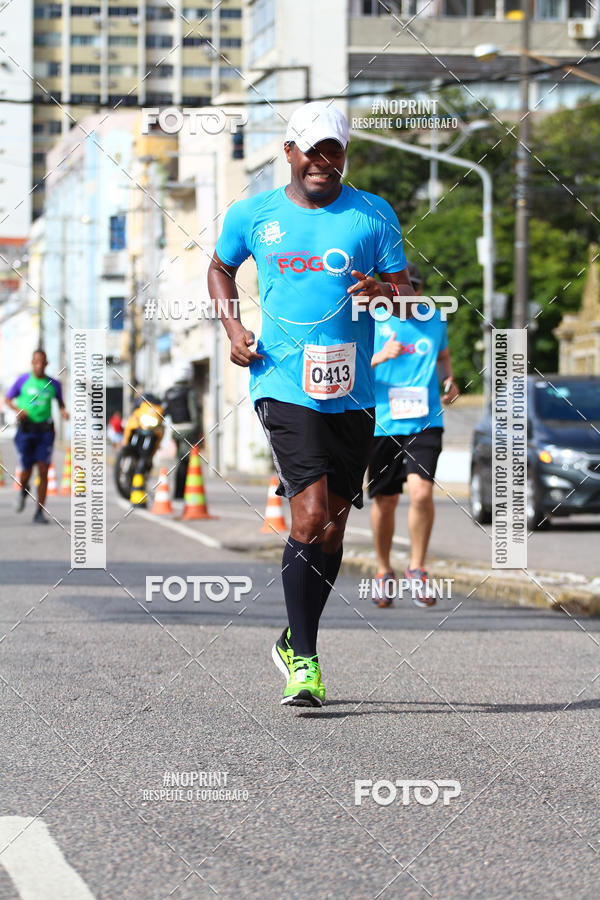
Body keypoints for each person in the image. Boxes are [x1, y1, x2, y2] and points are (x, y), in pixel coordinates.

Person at [207, 100, 416, 707]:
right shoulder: (254, 214)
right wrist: (233, 327)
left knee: (331, 526)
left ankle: (295, 637)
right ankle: (306, 661)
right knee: (309, 515)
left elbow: (408, 296)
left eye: (336, 150)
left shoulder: (373, 214)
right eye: (314, 150)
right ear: (290, 152)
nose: (325, 161)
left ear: (344, 155)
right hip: (283, 383)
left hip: (353, 392)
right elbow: (220, 268)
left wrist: (385, 290)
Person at [368, 261, 459, 608]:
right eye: (395, 290)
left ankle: (417, 568)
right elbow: (352, 363)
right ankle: (382, 570)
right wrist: (379, 356)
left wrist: (448, 380)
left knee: (421, 494)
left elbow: (444, 357)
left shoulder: (434, 320)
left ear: (418, 290)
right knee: (386, 500)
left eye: (412, 288)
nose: (404, 295)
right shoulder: (371, 321)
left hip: (425, 421)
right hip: (382, 423)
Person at [5, 348, 69, 524]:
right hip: (26, 431)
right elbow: (7, 399)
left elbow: (61, 403)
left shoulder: (54, 384)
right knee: (26, 471)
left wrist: (64, 412)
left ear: (46, 364)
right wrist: (18, 410)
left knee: (43, 469)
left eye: (42, 362)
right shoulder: (22, 381)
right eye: (36, 362)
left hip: (45, 432)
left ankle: (39, 512)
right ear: (32, 363)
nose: (39, 365)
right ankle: (23, 489)